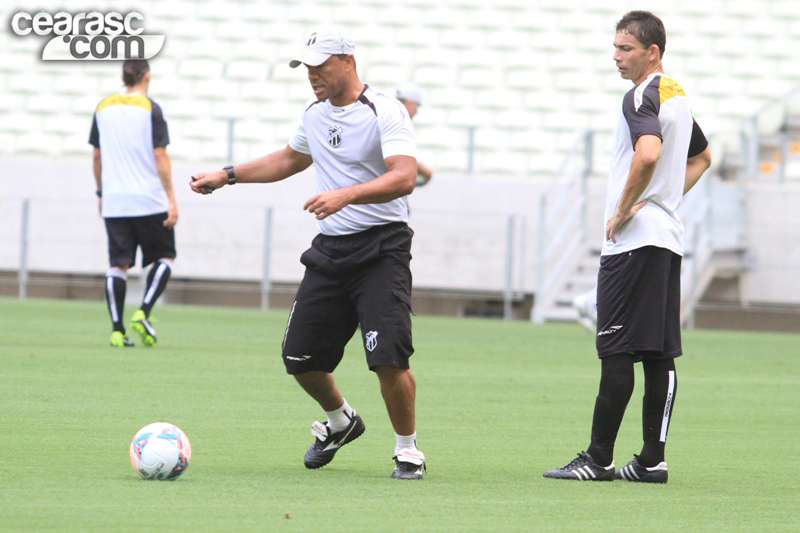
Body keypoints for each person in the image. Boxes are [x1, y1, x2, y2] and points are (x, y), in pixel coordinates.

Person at [190, 28, 425, 480]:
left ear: (348, 62)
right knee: (300, 359)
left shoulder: (385, 111)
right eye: (306, 67)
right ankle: (341, 422)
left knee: (388, 358)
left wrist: (346, 196)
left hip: (382, 249)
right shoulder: (314, 114)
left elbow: (404, 177)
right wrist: (227, 174)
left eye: (320, 66)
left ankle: (407, 450)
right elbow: (289, 159)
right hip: (331, 251)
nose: (311, 75)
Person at [543, 11, 711, 483]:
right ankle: (651, 461)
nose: (616, 57)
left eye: (625, 48)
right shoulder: (676, 94)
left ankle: (598, 459)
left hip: (634, 243)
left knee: (615, 349)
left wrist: (625, 207)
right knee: (659, 354)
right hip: (666, 239)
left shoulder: (640, 94)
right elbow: (703, 156)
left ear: (651, 52)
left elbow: (649, 152)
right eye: (615, 48)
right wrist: (663, 200)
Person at [89, 59, 178, 348]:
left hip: (115, 200)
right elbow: (160, 155)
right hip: (149, 198)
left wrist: (101, 194)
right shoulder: (151, 108)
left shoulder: (103, 107)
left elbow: (97, 156)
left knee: (118, 264)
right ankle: (144, 312)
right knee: (164, 257)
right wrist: (171, 198)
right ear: (147, 76)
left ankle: (117, 331)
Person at [396, 81, 433, 187]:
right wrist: (426, 173)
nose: (417, 111)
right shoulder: (398, 124)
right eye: (417, 106)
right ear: (410, 103)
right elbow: (399, 158)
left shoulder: (387, 119)